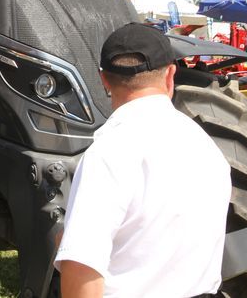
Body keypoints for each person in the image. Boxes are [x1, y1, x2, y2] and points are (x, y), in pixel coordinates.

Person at [54, 23, 231, 298]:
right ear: (171, 74)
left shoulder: (108, 153)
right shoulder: (207, 147)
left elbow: (82, 269)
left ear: (104, 80)